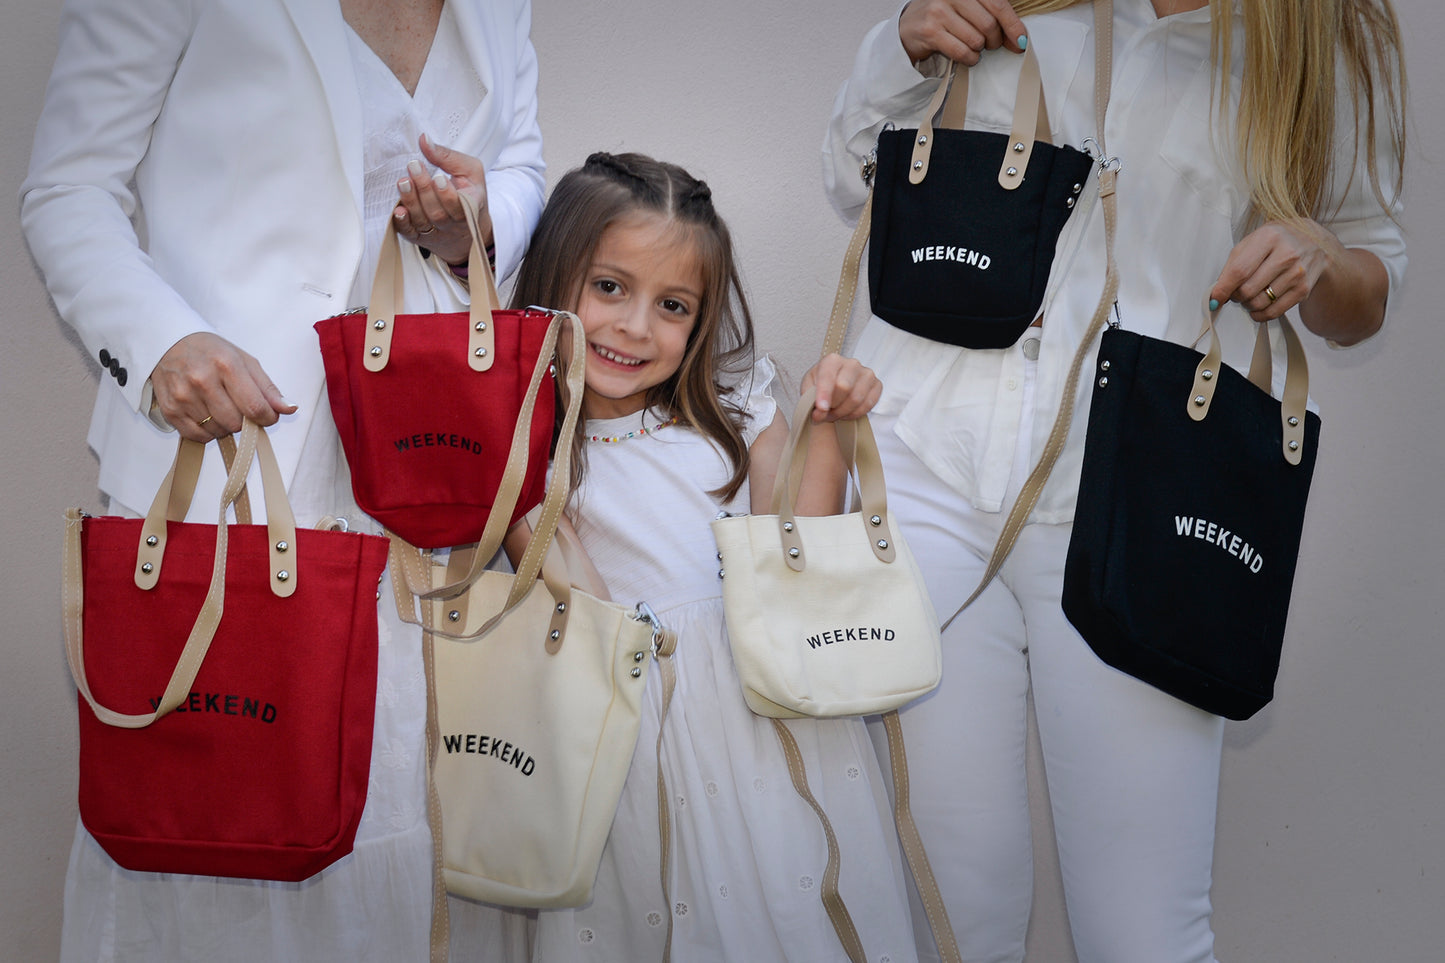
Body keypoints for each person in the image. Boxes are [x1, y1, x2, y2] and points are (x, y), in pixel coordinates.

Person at [823, 1, 1407, 961]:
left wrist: (1319, 252)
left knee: (1143, 934)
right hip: (922, 473)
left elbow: (1364, 295)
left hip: (1142, 506)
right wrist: (901, 40)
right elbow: (851, 179)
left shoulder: (1305, 39)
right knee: (949, 913)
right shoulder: (1014, 7)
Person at [20, 0, 545, 959]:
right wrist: (161, 341)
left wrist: (474, 220)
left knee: (394, 795)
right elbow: (68, 189)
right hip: (221, 454)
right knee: (212, 819)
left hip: (422, 473)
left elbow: (521, 167)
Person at [448, 151, 920, 961]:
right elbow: (582, 616)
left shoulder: (738, 414)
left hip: (764, 738)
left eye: (671, 305)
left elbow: (794, 561)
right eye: (608, 287)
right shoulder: (526, 453)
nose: (635, 326)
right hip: (628, 742)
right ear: (554, 272)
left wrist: (830, 427)